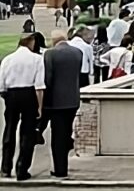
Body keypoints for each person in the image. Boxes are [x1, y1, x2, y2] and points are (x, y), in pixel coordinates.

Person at [0, 34, 45, 181]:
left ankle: (5, 167)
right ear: (30, 42)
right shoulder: (37, 59)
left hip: (12, 93)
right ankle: (22, 169)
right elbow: (39, 85)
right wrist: (39, 106)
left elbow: (2, 85)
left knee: (9, 129)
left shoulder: (7, 59)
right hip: (29, 93)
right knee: (27, 132)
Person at [43, 29, 82, 178]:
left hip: (56, 102)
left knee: (57, 137)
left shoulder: (50, 54)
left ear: (54, 40)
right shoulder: (77, 53)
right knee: (66, 132)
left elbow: (48, 78)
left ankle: (60, 168)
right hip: (72, 100)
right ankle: (66, 154)